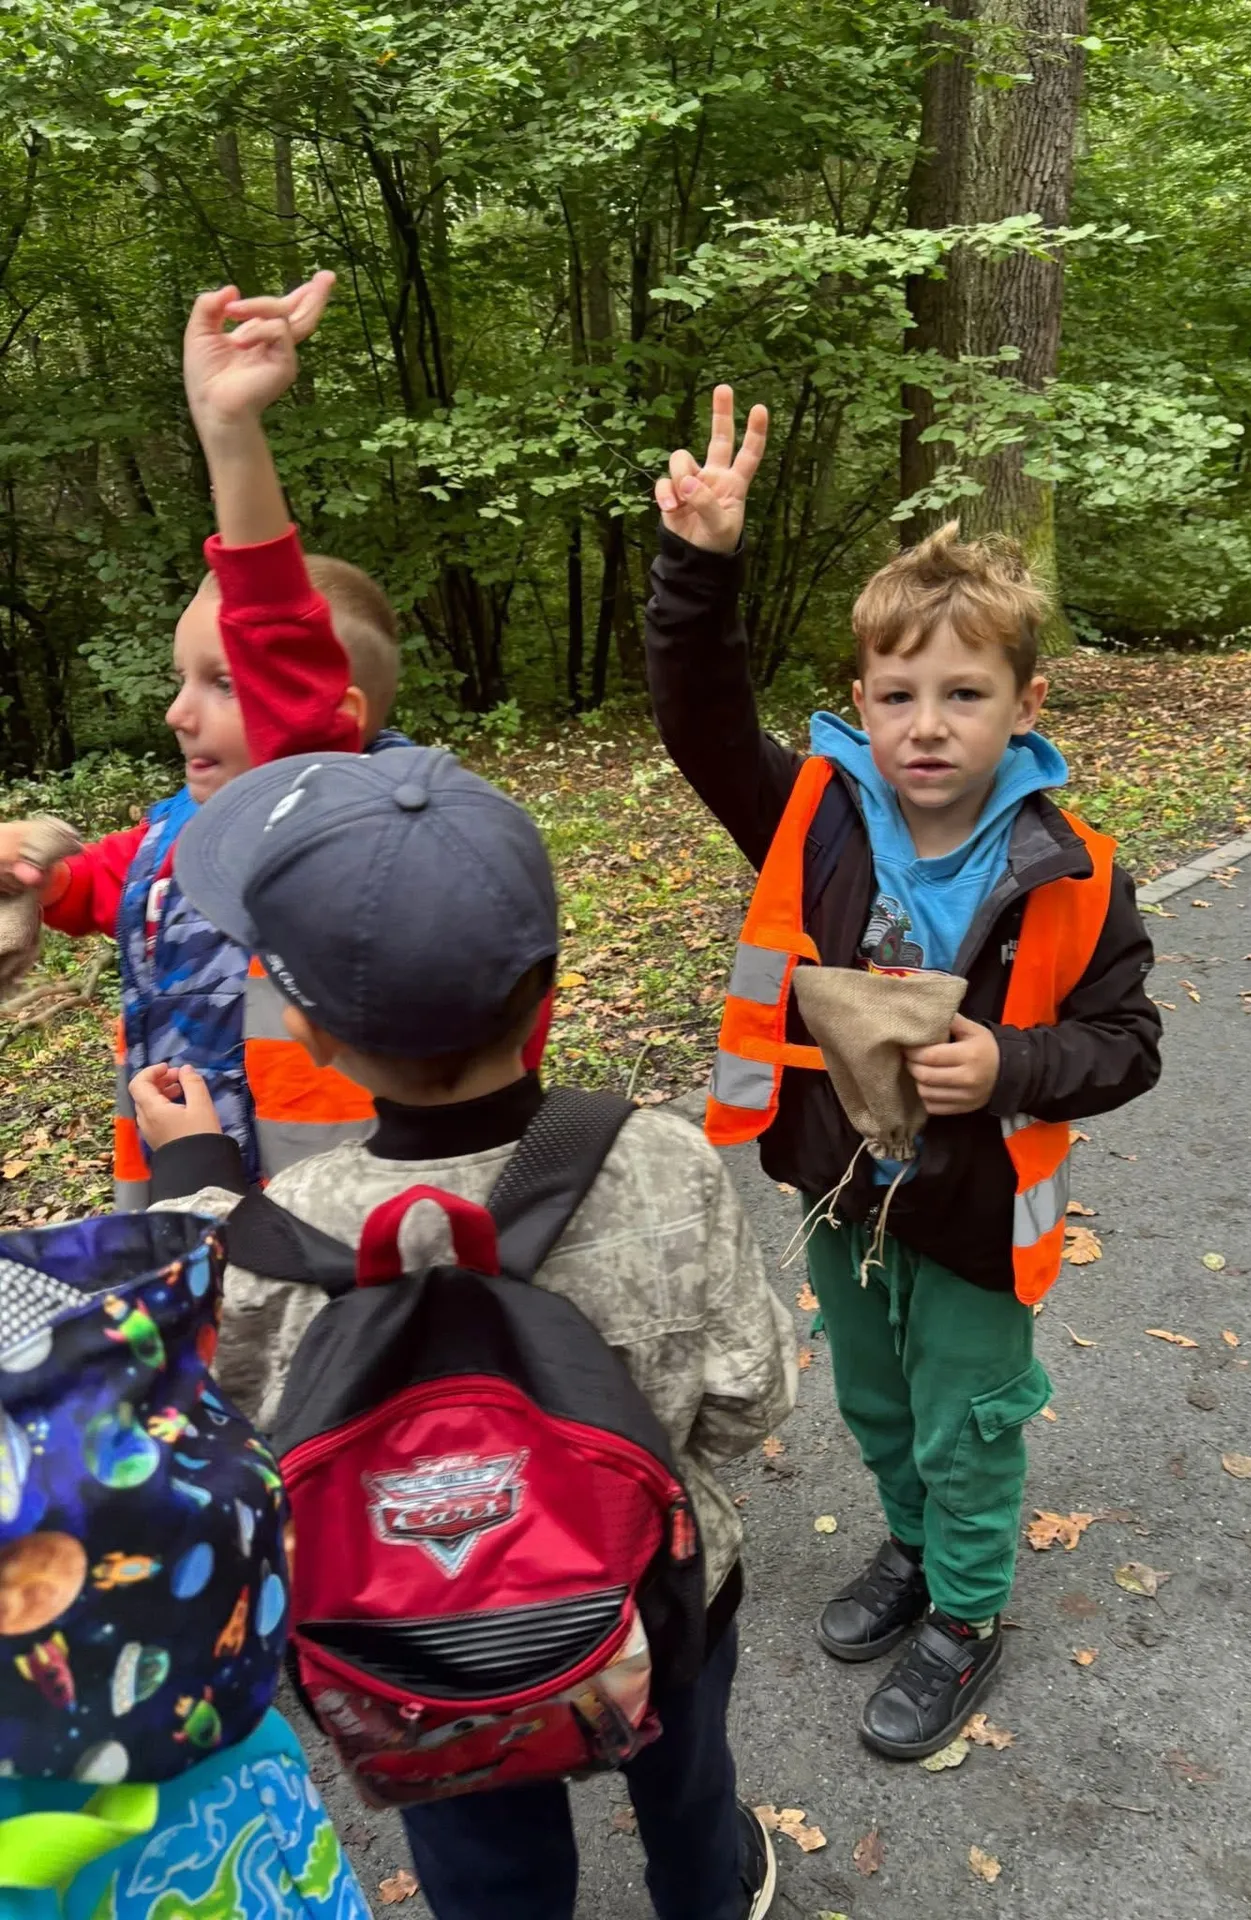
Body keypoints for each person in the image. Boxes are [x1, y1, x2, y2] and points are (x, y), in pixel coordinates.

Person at [130, 743, 796, 1920]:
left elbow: (221, 1420)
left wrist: (193, 1177)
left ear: (313, 1034)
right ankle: (705, 1891)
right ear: (548, 992)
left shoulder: (281, 1228)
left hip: (414, 1645)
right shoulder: (662, 1164)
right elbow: (750, 1403)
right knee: (688, 1788)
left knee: (485, 1854)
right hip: (659, 1599)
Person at [643, 387, 1163, 1760]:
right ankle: (915, 1547)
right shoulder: (812, 817)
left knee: (968, 1422)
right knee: (877, 1403)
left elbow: (1128, 1043)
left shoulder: (1074, 871)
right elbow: (700, 721)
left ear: (1026, 703)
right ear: (863, 699)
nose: (926, 726)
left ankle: (967, 1611)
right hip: (841, 1191)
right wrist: (699, 564)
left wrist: (1011, 1062)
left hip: (977, 1215)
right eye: (897, 695)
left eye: (964, 694)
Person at [0, 274, 544, 1206]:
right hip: (188, 1191)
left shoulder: (354, 831)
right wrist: (36, 874)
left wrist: (229, 431)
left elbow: (276, 633)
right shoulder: (176, 830)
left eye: (225, 683)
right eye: (182, 680)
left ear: (335, 716)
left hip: (332, 1212)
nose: (179, 713)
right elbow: (106, 889)